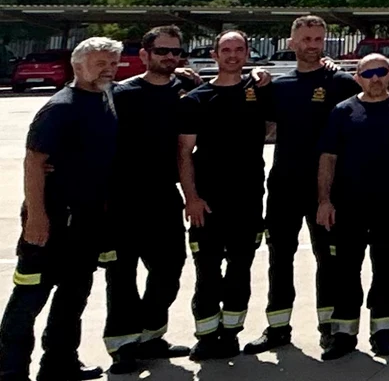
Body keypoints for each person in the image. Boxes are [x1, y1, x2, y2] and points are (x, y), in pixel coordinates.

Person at [0, 37, 121, 381]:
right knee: (31, 294)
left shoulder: (104, 99)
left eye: (112, 64)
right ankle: (10, 369)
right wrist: (37, 218)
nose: (108, 70)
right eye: (100, 63)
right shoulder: (61, 107)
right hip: (53, 219)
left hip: (88, 219)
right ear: (77, 65)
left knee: (74, 294)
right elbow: (34, 162)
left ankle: (60, 362)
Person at [253, 14, 359, 354]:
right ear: (291, 43)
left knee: (329, 260)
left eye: (318, 39)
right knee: (279, 258)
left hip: (328, 188)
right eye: (306, 39)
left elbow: (375, 100)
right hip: (284, 185)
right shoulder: (276, 87)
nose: (312, 46)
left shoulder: (341, 82)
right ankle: (278, 328)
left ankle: (329, 328)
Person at [314, 55, 389, 359]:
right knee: (346, 272)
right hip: (347, 206)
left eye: (381, 72)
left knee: (386, 271)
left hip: (388, 206)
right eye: (368, 73)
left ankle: (383, 333)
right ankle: (343, 336)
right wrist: (324, 200)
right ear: (358, 76)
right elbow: (328, 159)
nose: (375, 78)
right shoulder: (342, 111)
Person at [177, 31, 277, 361]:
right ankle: (206, 335)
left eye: (238, 49)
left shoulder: (259, 92)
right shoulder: (196, 99)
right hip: (207, 201)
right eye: (225, 50)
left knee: (239, 269)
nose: (232, 55)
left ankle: (231, 333)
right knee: (206, 270)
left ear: (248, 53)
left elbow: (279, 123)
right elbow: (184, 152)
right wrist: (191, 197)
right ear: (215, 54)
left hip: (248, 200)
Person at [101, 28, 193, 372]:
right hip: (122, 199)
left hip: (164, 197)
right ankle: (122, 346)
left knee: (170, 268)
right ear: (145, 54)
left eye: (176, 52)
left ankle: (151, 335)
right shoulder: (121, 94)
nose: (170, 57)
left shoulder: (184, 91)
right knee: (122, 276)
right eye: (163, 51)